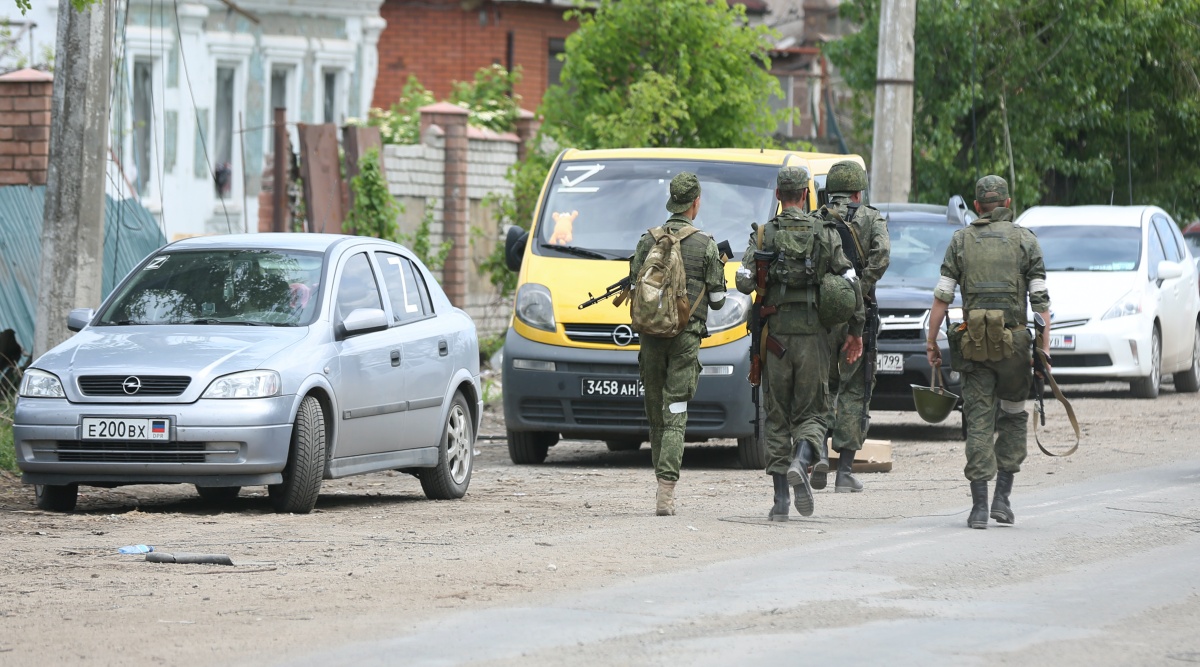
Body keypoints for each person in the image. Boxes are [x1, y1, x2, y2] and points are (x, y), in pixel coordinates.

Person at [736, 166, 864, 520]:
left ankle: (780, 503)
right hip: (815, 340)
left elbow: (744, 282)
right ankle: (803, 458)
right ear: (805, 196)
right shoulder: (824, 231)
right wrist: (856, 327)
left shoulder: (764, 235)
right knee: (814, 410)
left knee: (776, 416)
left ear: (778, 195)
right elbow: (850, 279)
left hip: (774, 340)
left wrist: (756, 272)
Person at [925, 175, 1051, 529]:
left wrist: (931, 342)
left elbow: (942, 297)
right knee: (1012, 416)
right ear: (1007, 204)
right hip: (1014, 351)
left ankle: (979, 508)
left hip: (974, 349)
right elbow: (1041, 305)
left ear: (978, 206)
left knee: (978, 422)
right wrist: (1043, 352)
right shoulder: (1026, 241)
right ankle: (1002, 500)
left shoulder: (961, 241)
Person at [629, 172, 728, 516]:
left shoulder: (648, 241)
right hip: (685, 339)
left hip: (650, 338)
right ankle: (665, 491)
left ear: (672, 202)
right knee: (676, 411)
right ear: (696, 203)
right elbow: (717, 301)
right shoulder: (706, 245)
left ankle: (661, 479)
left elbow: (634, 287)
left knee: (656, 410)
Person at [819, 161, 890, 493]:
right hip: (856, 320)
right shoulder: (871, 218)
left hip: (822, 316)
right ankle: (843, 472)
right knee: (855, 389)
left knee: (821, 385)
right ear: (859, 192)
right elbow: (883, 255)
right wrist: (858, 290)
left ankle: (817, 452)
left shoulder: (818, 219)